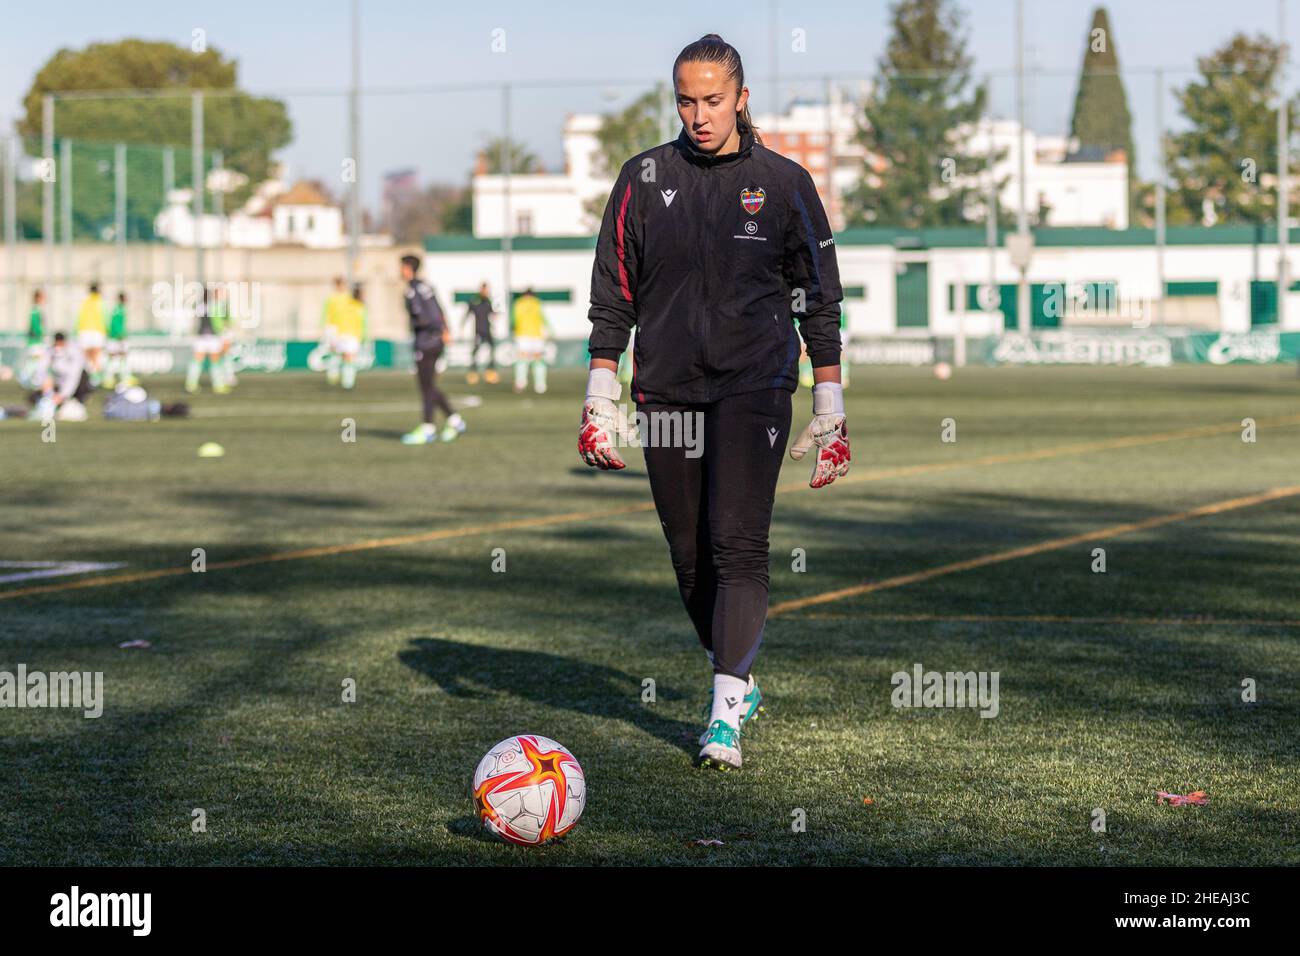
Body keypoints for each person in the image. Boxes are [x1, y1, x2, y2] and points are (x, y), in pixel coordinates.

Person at [580, 34, 851, 771]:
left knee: (738, 542)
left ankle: (723, 714)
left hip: (754, 385)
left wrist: (830, 403)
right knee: (689, 555)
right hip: (666, 388)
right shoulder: (641, 177)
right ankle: (742, 673)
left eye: (713, 100)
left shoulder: (787, 182)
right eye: (686, 101)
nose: (699, 115)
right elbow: (614, 291)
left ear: (741, 98)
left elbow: (818, 301)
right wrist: (601, 388)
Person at [399, 254, 467, 444]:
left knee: (426, 387)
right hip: (436, 340)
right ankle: (455, 421)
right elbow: (439, 310)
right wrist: (445, 331)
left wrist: (426, 328)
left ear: (407, 268)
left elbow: (423, 317)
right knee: (429, 386)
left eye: (402, 267)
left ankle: (428, 428)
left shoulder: (412, 291)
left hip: (426, 341)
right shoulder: (427, 286)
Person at [31, 332, 92, 421]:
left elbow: (74, 376)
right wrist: (43, 385)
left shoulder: (74, 352)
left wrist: (63, 395)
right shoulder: (50, 351)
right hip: (59, 382)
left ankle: (76, 402)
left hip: (76, 382)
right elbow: (41, 369)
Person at [185, 286, 231, 394]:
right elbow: (219, 323)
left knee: (197, 360)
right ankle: (218, 385)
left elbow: (195, 320)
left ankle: (191, 384)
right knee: (215, 361)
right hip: (212, 337)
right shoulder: (215, 306)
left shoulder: (199, 306)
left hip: (201, 336)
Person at [511, 287, 551, 394]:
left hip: (522, 334)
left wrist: (513, 330)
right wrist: (550, 331)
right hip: (536, 335)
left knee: (522, 359)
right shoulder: (537, 303)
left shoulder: (518, 303)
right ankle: (540, 385)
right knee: (538, 360)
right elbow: (543, 318)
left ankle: (521, 383)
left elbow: (513, 319)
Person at [463, 281, 500, 386]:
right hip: (478, 330)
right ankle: (473, 374)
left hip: (487, 330)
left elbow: (493, 313)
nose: (486, 291)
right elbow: (468, 314)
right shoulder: (475, 301)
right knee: (475, 353)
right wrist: (462, 327)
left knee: (492, 352)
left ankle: (490, 373)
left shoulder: (488, 301)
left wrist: (496, 313)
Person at [333, 283, 368, 390]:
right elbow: (363, 323)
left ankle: (344, 379)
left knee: (345, 357)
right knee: (350, 358)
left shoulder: (344, 304)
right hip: (352, 335)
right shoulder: (360, 307)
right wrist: (364, 337)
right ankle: (348, 382)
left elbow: (336, 320)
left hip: (341, 334)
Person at [76, 282, 107, 386]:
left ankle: (88, 377)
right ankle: (96, 377)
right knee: (96, 355)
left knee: (87, 356)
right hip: (97, 331)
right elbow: (104, 317)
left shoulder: (85, 301)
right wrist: (107, 330)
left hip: (84, 331)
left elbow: (79, 317)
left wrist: (78, 330)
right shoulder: (100, 301)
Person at [321, 276, 349, 386]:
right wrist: (324, 327)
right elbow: (325, 314)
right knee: (333, 351)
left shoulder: (348, 298)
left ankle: (346, 377)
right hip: (333, 328)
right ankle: (333, 374)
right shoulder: (331, 299)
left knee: (345, 352)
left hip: (345, 328)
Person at [104, 291, 132, 389]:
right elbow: (116, 325)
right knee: (121, 357)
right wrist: (120, 335)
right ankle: (124, 378)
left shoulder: (116, 309)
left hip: (113, 337)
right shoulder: (120, 310)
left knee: (114, 358)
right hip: (117, 338)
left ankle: (110, 378)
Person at [18, 290, 46, 389]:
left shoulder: (37, 309)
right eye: (42, 298)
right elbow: (35, 326)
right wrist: (40, 333)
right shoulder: (35, 310)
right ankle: (25, 377)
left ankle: (33, 380)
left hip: (37, 341)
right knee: (36, 360)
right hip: (35, 341)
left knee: (36, 361)